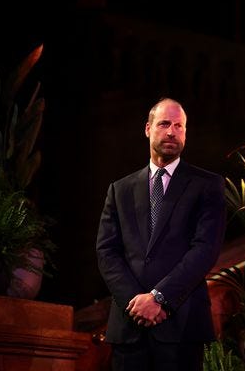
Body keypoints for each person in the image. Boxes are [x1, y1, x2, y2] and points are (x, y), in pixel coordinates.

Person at [96, 98, 226, 371]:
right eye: (165, 124)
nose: (172, 131)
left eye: (179, 126)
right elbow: (107, 251)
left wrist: (159, 298)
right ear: (147, 128)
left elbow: (205, 249)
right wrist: (136, 303)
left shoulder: (207, 185)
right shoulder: (119, 189)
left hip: (181, 325)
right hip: (130, 327)